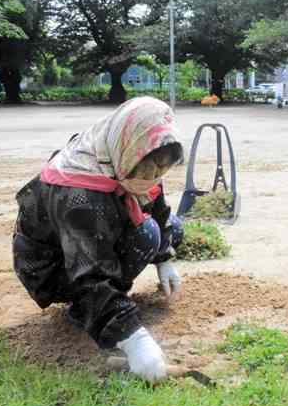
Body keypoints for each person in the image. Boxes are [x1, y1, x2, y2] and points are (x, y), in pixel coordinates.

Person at [12, 97, 185, 382]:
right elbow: (89, 275)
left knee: (171, 228)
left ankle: (108, 300)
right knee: (147, 235)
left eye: (161, 171)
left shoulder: (124, 150)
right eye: (150, 169)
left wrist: (164, 258)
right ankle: (87, 310)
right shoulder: (79, 194)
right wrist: (133, 338)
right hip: (54, 268)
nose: (154, 178)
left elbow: (157, 204)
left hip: (95, 228)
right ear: (131, 148)